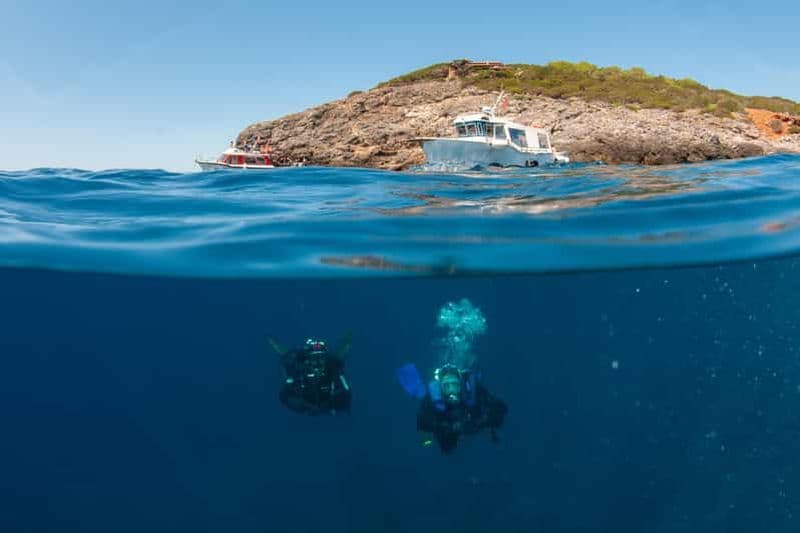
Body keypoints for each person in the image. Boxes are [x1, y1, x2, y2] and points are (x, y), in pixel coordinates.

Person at [411, 364, 507, 453]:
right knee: (447, 447)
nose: (451, 391)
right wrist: (446, 426)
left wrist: (481, 421)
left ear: (460, 385)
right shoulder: (433, 398)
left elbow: (500, 407)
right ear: (441, 388)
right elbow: (422, 422)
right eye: (446, 386)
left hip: (475, 424)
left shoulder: (472, 391)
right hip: (449, 430)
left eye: (455, 385)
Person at [270, 335, 352, 416]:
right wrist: (301, 405)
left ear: (325, 359)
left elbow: (346, 395)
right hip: (304, 409)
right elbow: (284, 395)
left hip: (327, 407)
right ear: (307, 360)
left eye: (321, 358)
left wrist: (327, 406)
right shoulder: (299, 370)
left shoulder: (333, 368)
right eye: (313, 359)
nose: (317, 363)